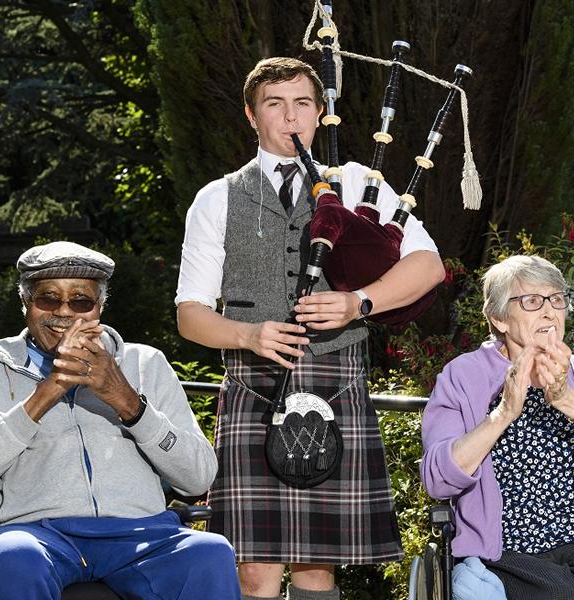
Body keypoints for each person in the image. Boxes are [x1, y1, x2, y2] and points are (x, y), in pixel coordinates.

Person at [176, 57, 445, 600]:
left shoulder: (356, 185)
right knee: (253, 568)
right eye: (275, 104)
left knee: (317, 567)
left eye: (302, 103)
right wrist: (248, 335)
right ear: (252, 116)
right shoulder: (216, 198)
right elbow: (190, 315)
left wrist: (358, 303)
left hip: (336, 385)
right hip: (253, 389)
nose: (290, 117)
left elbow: (428, 266)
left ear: (320, 114)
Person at [0, 241, 241, 600]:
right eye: (48, 298)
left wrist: (128, 401)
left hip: (141, 533)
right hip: (33, 533)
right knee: (13, 557)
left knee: (210, 552)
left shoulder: (145, 363)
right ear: (25, 303)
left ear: (99, 308)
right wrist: (47, 393)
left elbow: (198, 477)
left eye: (81, 301)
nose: (64, 313)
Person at [420, 254, 574, 600]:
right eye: (532, 301)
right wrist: (502, 414)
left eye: (557, 299)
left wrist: (567, 400)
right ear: (499, 317)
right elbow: (437, 479)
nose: (549, 311)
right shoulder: (462, 376)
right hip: (509, 545)